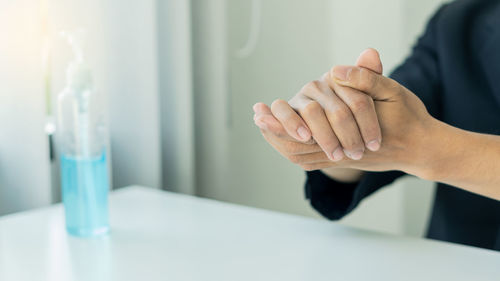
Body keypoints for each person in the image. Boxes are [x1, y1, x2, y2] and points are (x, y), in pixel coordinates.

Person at [253, 0, 500, 251]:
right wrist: (332, 128)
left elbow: (414, 139)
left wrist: (429, 150)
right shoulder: (460, 21)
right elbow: (391, 121)